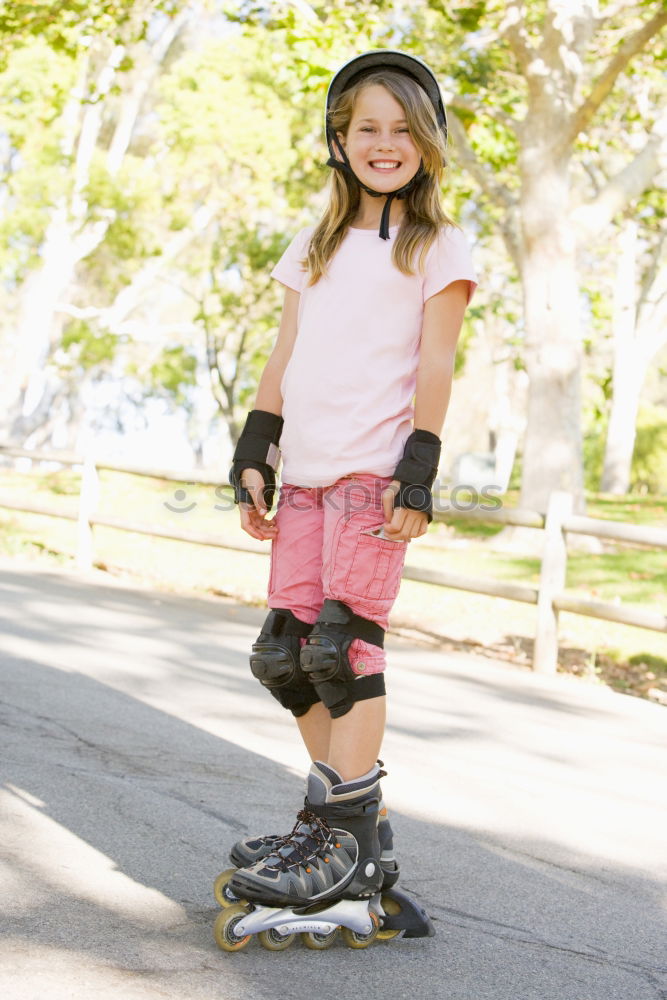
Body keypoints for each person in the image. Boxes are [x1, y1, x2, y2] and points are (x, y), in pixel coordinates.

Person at [226, 49, 478, 912]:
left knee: (343, 648)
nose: (384, 142)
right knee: (285, 656)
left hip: (374, 476)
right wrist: (256, 447)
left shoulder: (437, 244)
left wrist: (419, 468)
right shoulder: (314, 242)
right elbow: (283, 353)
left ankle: (338, 835)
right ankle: (344, 824)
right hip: (305, 474)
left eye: (403, 129)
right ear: (338, 138)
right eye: (366, 127)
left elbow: (436, 365)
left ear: (426, 143)